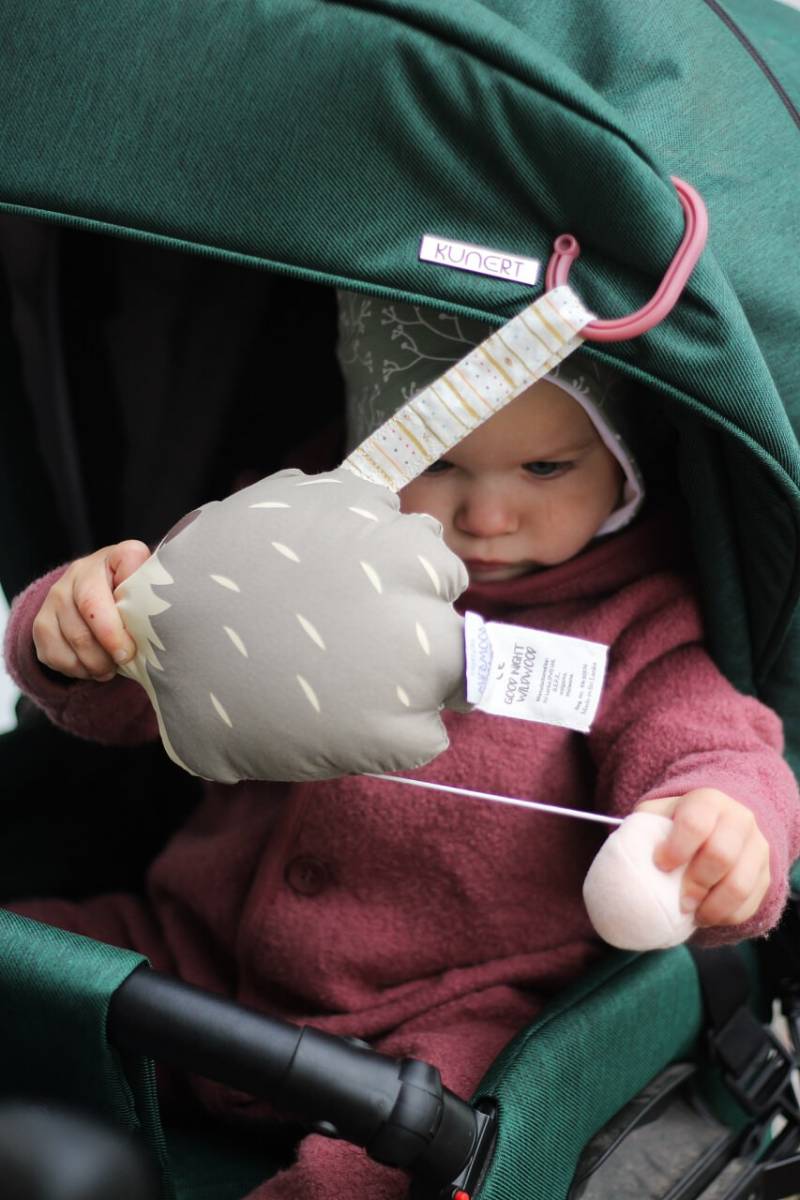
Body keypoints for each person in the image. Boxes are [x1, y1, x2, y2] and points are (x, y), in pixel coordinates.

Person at [4, 293, 800, 1200]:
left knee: (416, 1157)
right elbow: (139, 698)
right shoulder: (290, 539)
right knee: (31, 961)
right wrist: (78, 637)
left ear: (626, 467)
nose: (490, 514)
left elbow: (715, 746)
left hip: (446, 1011)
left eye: (546, 467)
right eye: (443, 463)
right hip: (197, 949)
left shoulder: (638, 625)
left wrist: (724, 827)